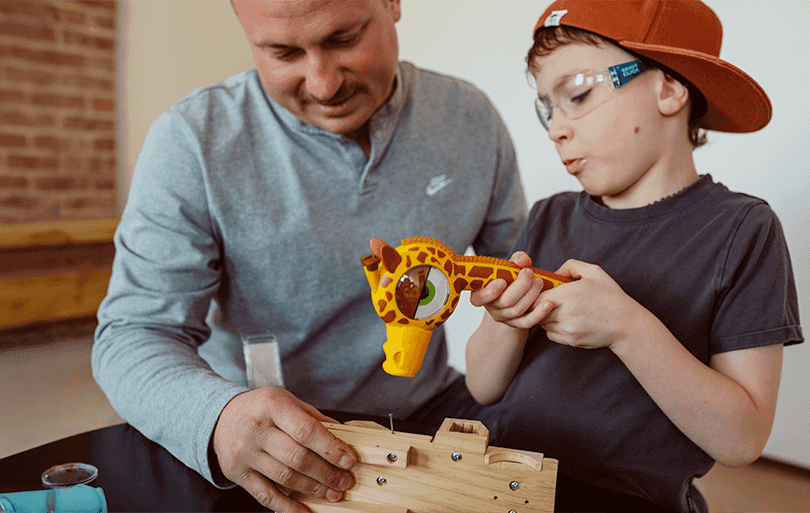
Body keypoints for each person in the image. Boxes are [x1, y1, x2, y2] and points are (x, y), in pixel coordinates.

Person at [92, 1, 528, 511]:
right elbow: (132, 335)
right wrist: (219, 416)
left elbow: (522, 284)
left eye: (344, 40)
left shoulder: (469, 118)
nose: (323, 86)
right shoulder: (191, 140)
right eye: (283, 53)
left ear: (392, 4)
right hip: (262, 436)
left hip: (429, 410)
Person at [461, 1, 804, 512]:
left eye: (578, 95)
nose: (555, 128)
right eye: (548, 107)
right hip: (499, 484)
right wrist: (505, 321)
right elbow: (483, 387)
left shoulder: (741, 230)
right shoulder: (550, 216)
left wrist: (628, 329)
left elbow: (742, 439)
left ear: (668, 89)